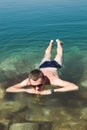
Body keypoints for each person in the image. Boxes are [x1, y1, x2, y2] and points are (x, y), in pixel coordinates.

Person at [6, 39, 79, 95]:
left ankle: (58, 42)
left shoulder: (53, 80)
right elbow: (9, 89)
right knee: (47, 55)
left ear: (44, 79)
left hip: (54, 65)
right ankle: (51, 43)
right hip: (43, 65)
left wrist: (52, 90)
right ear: (29, 80)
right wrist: (26, 90)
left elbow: (75, 87)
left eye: (39, 85)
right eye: (33, 86)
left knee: (59, 54)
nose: (37, 88)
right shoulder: (28, 81)